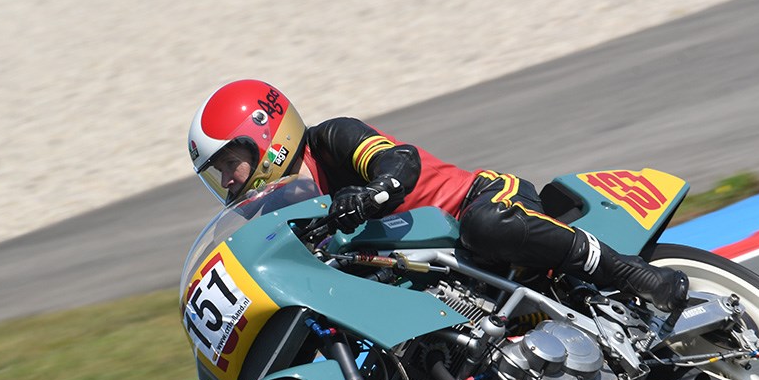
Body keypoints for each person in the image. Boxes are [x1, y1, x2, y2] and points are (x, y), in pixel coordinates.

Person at [187, 80, 689, 311]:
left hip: (477, 204)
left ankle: (631, 273)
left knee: (485, 226)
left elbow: (397, 159)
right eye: (218, 173)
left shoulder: (331, 138)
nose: (227, 180)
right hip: (427, 279)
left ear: (265, 135)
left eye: (230, 163)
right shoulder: (276, 213)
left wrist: (374, 193)